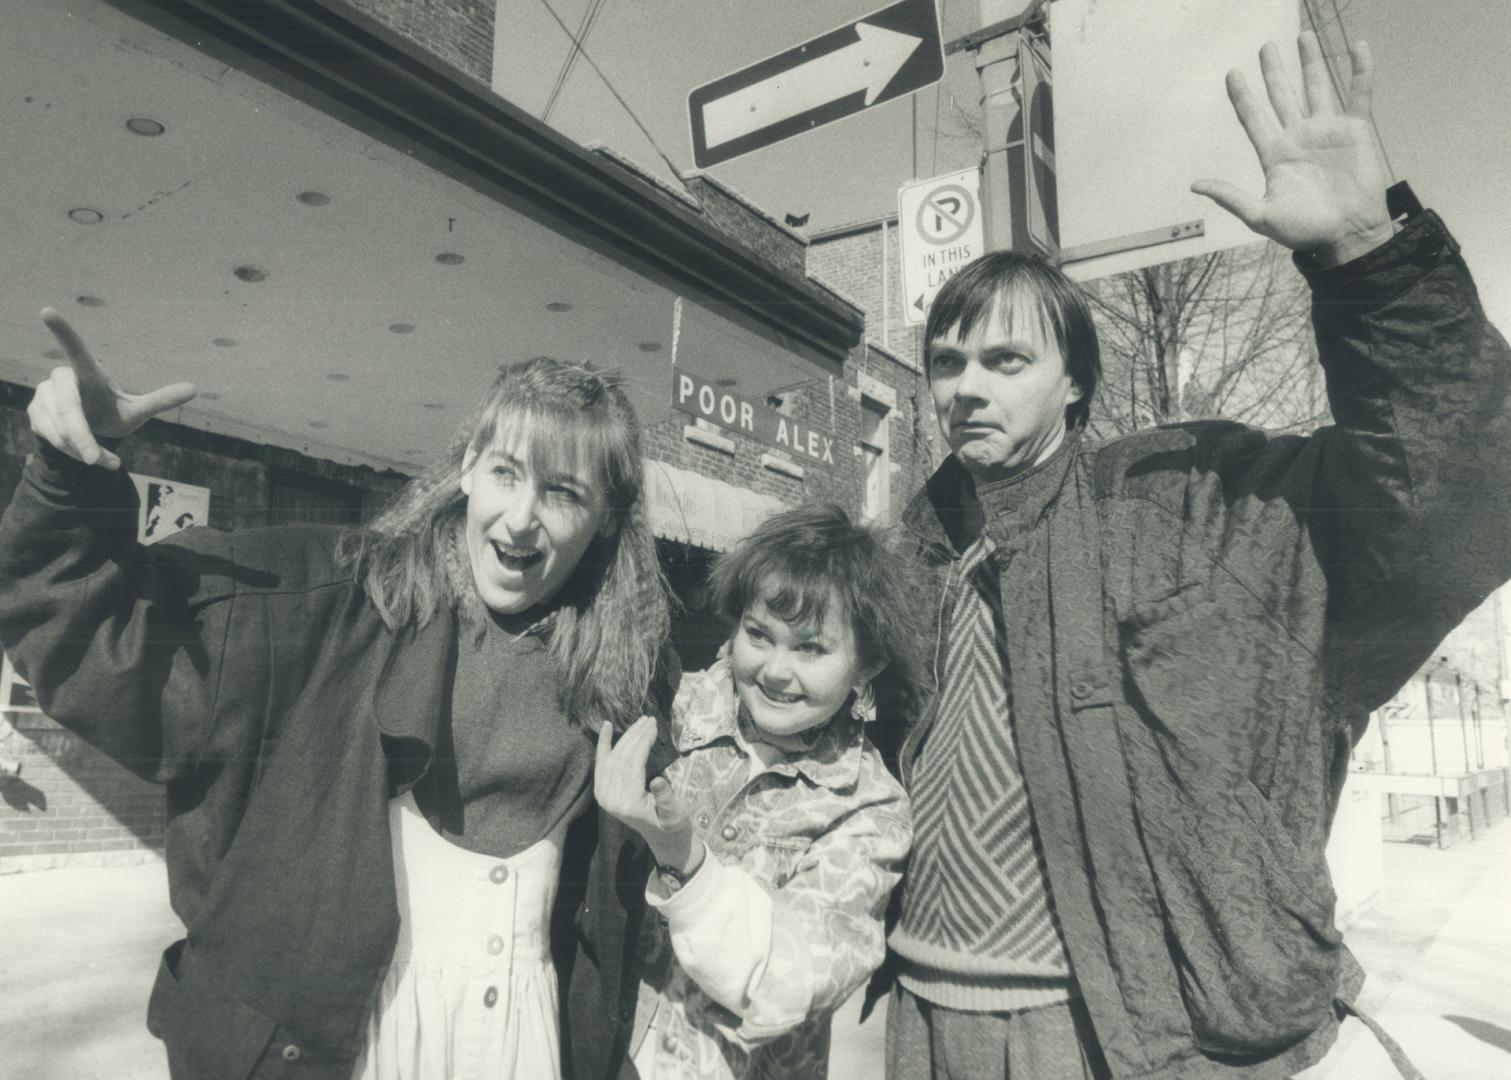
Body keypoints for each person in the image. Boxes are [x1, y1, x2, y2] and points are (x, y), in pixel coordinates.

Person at [874, 33, 1511, 1080]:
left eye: (1003, 359)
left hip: (1112, 1040)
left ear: (1073, 383)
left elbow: (1450, 508)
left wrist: (1371, 262)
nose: (965, 387)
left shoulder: (1185, 503)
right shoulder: (917, 551)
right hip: (920, 1017)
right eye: (945, 362)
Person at [0, 335, 680, 1080]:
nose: (520, 518)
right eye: (506, 473)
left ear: (609, 518)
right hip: (339, 1048)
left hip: (523, 1043)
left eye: (562, 493)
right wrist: (69, 471)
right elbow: (85, 632)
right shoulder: (326, 599)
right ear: (466, 469)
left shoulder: (629, 677)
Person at [594, 504, 918, 1079]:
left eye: (810, 648)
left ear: (866, 664)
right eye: (759, 635)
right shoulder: (678, 707)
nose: (774, 670)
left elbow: (791, 978)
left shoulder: (868, 808)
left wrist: (686, 862)